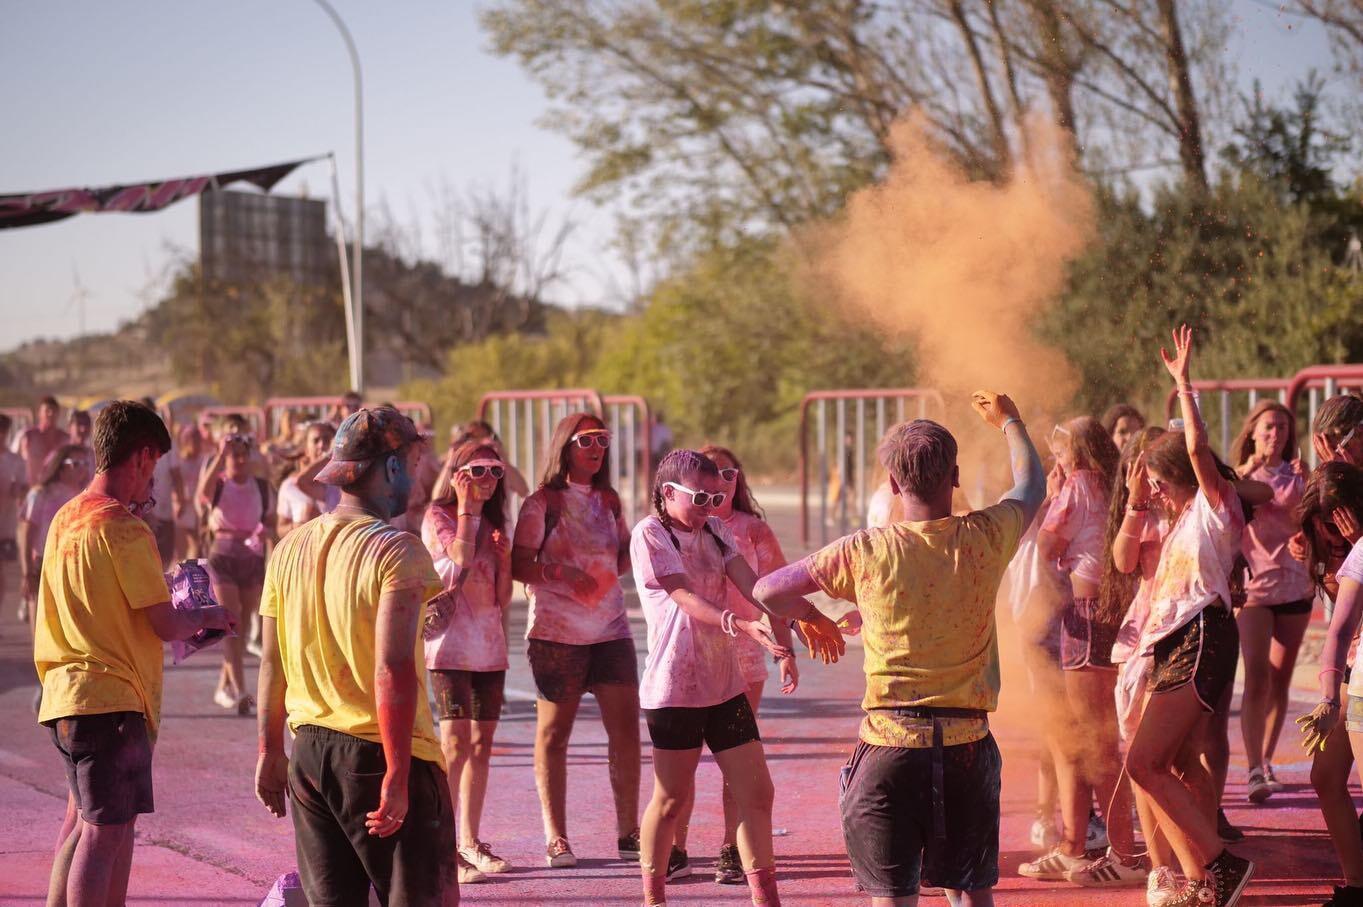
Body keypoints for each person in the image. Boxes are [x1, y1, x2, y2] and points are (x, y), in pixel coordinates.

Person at [754, 390, 1046, 907]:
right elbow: (1030, 486)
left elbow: (769, 590)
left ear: (892, 485)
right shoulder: (986, 536)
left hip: (890, 743)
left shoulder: (865, 550)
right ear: (955, 477)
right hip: (968, 744)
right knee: (973, 894)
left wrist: (813, 618)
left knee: (893, 899)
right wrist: (1011, 421)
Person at [254, 406, 458, 906]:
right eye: (411, 461)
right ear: (389, 467)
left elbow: (271, 661)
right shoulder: (397, 551)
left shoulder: (289, 548)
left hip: (309, 755)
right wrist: (397, 772)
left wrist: (268, 750)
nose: (415, 476)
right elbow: (391, 669)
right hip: (378, 749)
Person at [35, 401, 234, 907]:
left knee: (81, 825)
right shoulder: (124, 529)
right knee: (106, 834)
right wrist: (208, 618)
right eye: (156, 466)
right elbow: (165, 622)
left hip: (64, 694)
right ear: (143, 456)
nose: (154, 480)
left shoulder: (66, 518)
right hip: (112, 700)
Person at [632, 449, 841, 907]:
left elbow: (758, 587)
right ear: (668, 493)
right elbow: (682, 595)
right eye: (700, 496)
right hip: (674, 690)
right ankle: (653, 898)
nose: (710, 504)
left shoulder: (717, 530)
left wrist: (804, 617)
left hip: (724, 686)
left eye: (716, 495)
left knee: (758, 792)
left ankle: (766, 899)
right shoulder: (650, 533)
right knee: (669, 800)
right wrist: (739, 624)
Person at [1125, 326, 1254, 907]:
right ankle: (1200, 878)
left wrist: (1184, 389)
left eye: (1155, 478)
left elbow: (1201, 453)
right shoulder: (1176, 522)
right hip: (1176, 642)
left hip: (1201, 637)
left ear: (1176, 473)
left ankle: (1220, 866)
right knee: (1174, 762)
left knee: (1143, 763)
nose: (1149, 488)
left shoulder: (1214, 504)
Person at [665, 444, 800, 885]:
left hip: (744, 657)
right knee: (682, 765)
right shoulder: (670, 531)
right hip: (690, 661)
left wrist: (786, 650)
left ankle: (730, 847)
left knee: (737, 763)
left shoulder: (752, 530)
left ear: (737, 480)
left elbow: (772, 591)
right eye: (711, 475)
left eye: (729, 473)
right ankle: (676, 847)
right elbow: (677, 595)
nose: (720, 482)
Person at [511, 413, 641, 867]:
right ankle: (556, 836)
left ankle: (629, 833)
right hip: (556, 635)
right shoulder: (541, 503)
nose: (597, 448)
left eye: (603, 440)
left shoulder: (610, 500)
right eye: (588, 440)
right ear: (565, 445)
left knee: (625, 731)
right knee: (553, 735)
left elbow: (624, 555)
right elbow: (519, 564)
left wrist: (640, 545)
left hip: (611, 631)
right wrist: (561, 572)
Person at [1021, 416, 1141, 886]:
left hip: (1087, 614)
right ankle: (1074, 846)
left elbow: (1047, 544)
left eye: (1062, 449)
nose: (1058, 458)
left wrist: (1052, 496)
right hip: (1105, 611)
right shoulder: (1112, 484)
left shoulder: (1079, 485)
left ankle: (1124, 855)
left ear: (1078, 452)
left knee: (1095, 740)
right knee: (1078, 737)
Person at [422, 440, 514, 885]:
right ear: (457, 473)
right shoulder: (439, 516)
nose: (486, 481)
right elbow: (457, 557)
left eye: (495, 472)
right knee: (454, 745)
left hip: (488, 646)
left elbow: (501, 597)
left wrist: (504, 555)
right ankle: (441, 846)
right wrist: (465, 507)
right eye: (476, 471)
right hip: (449, 648)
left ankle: (469, 841)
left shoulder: (495, 520)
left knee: (480, 745)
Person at [1227, 402, 1313, 803]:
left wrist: (1305, 537)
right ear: (1253, 432)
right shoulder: (1241, 474)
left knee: (1281, 679)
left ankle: (1266, 758)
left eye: (1282, 427)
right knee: (1257, 676)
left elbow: (1312, 518)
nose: (1275, 434)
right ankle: (1254, 769)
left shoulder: (1299, 472)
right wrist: (1245, 469)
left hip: (1295, 586)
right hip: (1256, 589)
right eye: (1267, 427)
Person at [1295, 462, 1363, 907]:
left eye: (1341, 520)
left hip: (1353, 681)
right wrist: (1328, 698)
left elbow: (1340, 631)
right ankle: (1357, 886)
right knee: (1325, 775)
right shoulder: (1321, 553)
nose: (1335, 533)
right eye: (1326, 526)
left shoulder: (1359, 548)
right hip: (1350, 679)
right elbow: (1338, 632)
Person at [198, 434, 273, 715]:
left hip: (252, 556)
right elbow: (201, 495)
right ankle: (241, 690)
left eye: (244, 455)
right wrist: (220, 454)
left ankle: (223, 685)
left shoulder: (262, 486)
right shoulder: (219, 483)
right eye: (234, 455)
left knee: (241, 624)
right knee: (231, 622)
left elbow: (271, 522)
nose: (240, 460)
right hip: (223, 555)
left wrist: (267, 535)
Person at [19, 444, 92, 634]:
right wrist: (27, 572)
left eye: (85, 462)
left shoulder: (86, 497)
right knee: (42, 628)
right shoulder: (40, 494)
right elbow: (27, 533)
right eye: (75, 463)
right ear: (60, 466)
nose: (82, 467)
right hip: (44, 563)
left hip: (75, 566)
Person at [276, 422, 340, 538]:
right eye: (316, 441)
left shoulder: (340, 482)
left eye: (326, 440)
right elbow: (280, 529)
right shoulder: (289, 486)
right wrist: (298, 526)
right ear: (306, 449)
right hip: (302, 551)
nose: (321, 445)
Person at [451, 420, 531, 499]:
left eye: (484, 437)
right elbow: (440, 498)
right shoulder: (461, 467)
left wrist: (503, 458)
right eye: (474, 438)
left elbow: (524, 491)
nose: (480, 444)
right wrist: (452, 458)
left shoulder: (499, 469)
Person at [0, 414, 28, 622]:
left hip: (5, 525)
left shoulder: (14, 460)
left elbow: (23, 489)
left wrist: (17, 489)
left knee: (1, 572)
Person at [170, 424, 207, 562]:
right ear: (185, 442)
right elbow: (175, 483)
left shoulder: (203, 461)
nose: (198, 445)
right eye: (194, 441)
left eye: (199, 440)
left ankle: (192, 574)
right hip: (182, 508)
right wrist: (179, 501)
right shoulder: (179, 462)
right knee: (181, 548)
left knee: (196, 544)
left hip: (197, 508)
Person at [19, 396, 66, 486]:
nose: (51, 414)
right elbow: (20, 463)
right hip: (32, 487)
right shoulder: (29, 436)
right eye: (47, 411)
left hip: (57, 490)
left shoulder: (65, 438)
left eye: (54, 411)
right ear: (39, 413)